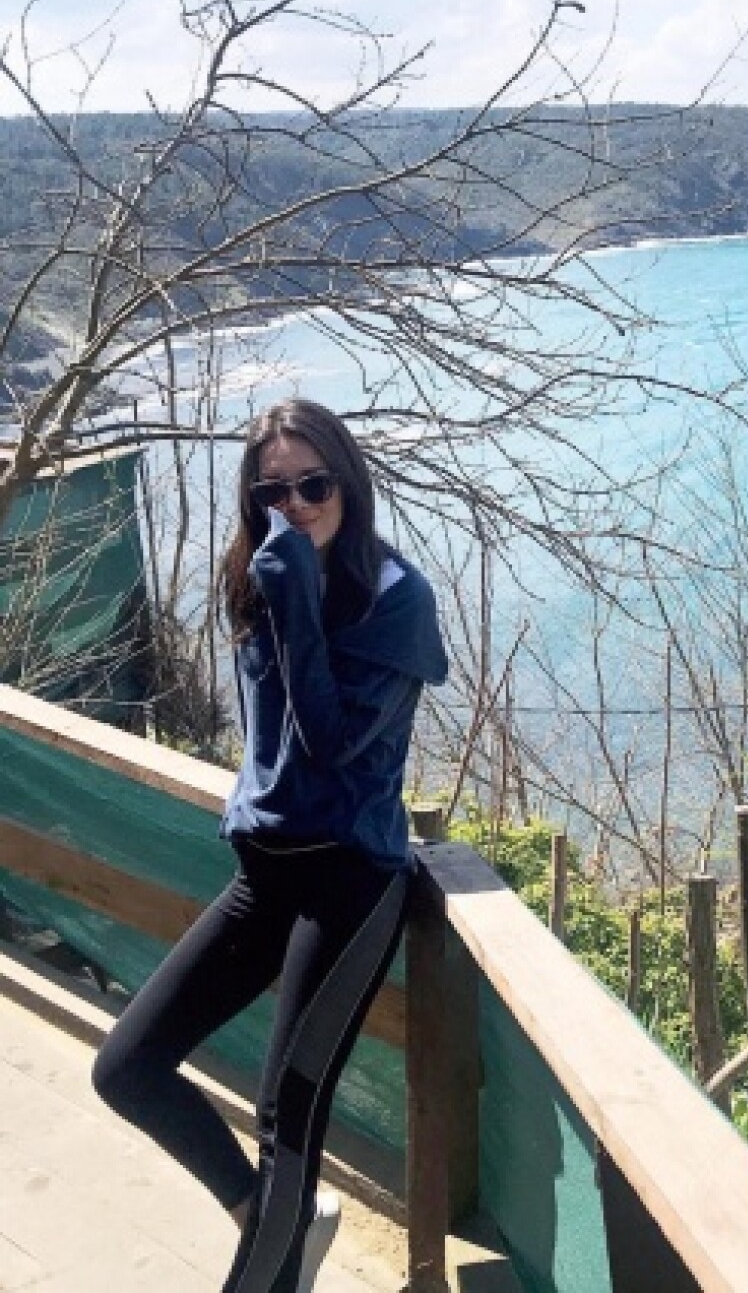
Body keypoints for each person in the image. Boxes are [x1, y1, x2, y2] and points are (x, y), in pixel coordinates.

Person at [93, 399, 448, 1292]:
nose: (294, 505)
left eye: (313, 485)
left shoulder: (396, 600)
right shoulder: (258, 577)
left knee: (285, 1122)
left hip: (349, 883)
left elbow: (329, 748)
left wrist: (295, 598)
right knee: (127, 1068)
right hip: (263, 873)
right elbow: (270, 746)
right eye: (272, 491)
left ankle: (274, 1250)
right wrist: (279, 590)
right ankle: (272, 1216)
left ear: (348, 485)